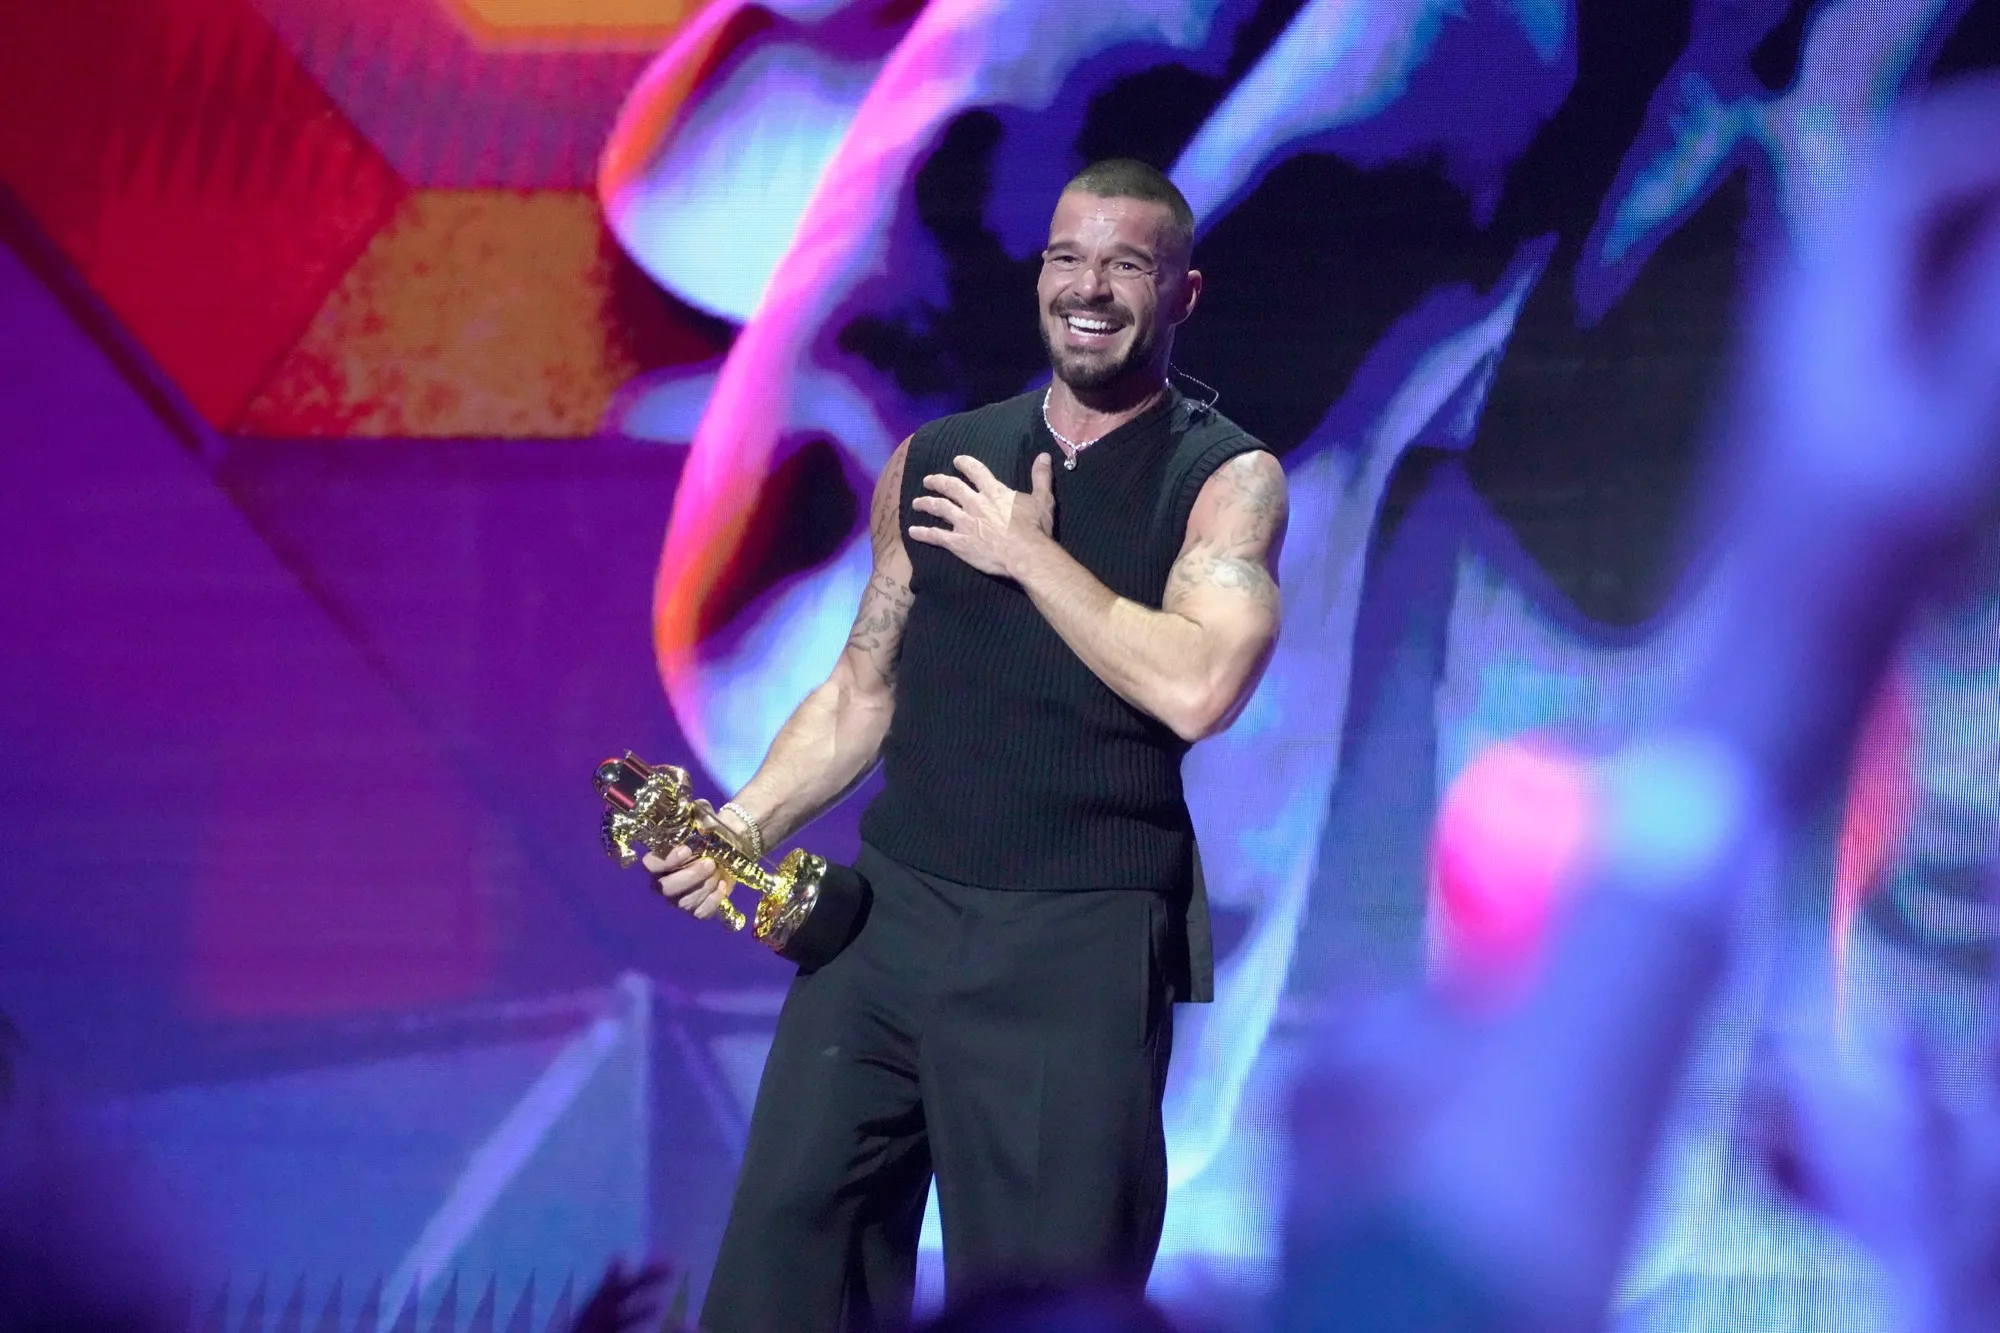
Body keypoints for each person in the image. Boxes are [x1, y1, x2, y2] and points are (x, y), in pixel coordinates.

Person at [644, 157, 1288, 1331]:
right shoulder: (938, 461)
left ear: (1182, 293)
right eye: (1066, 257)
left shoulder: (1224, 477)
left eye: (1125, 264)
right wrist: (742, 827)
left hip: (1074, 941)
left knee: (1040, 1298)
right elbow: (859, 690)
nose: (1087, 288)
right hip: (885, 928)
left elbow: (1199, 685)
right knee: (787, 1260)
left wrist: (1027, 553)